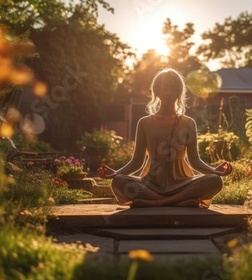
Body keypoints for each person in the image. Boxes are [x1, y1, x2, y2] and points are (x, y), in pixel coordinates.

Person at [97, 68, 232, 208]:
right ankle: (179, 202)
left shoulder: (188, 123)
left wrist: (214, 171)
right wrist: (116, 173)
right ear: (156, 91)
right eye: (165, 88)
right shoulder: (144, 122)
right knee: (118, 182)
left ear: (179, 92)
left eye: (174, 89)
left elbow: (194, 160)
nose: (169, 93)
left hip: (182, 183)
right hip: (150, 185)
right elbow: (137, 161)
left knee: (215, 181)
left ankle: (157, 203)